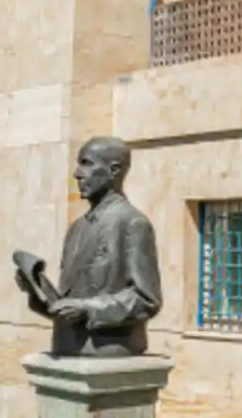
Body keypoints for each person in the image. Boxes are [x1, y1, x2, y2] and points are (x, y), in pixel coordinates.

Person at [16, 136, 162, 357]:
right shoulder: (77, 228)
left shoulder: (132, 223)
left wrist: (88, 309)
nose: (77, 173)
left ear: (114, 170)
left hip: (108, 352)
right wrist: (37, 293)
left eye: (86, 163)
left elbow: (146, 299)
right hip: (66, 348)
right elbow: (70, 301)